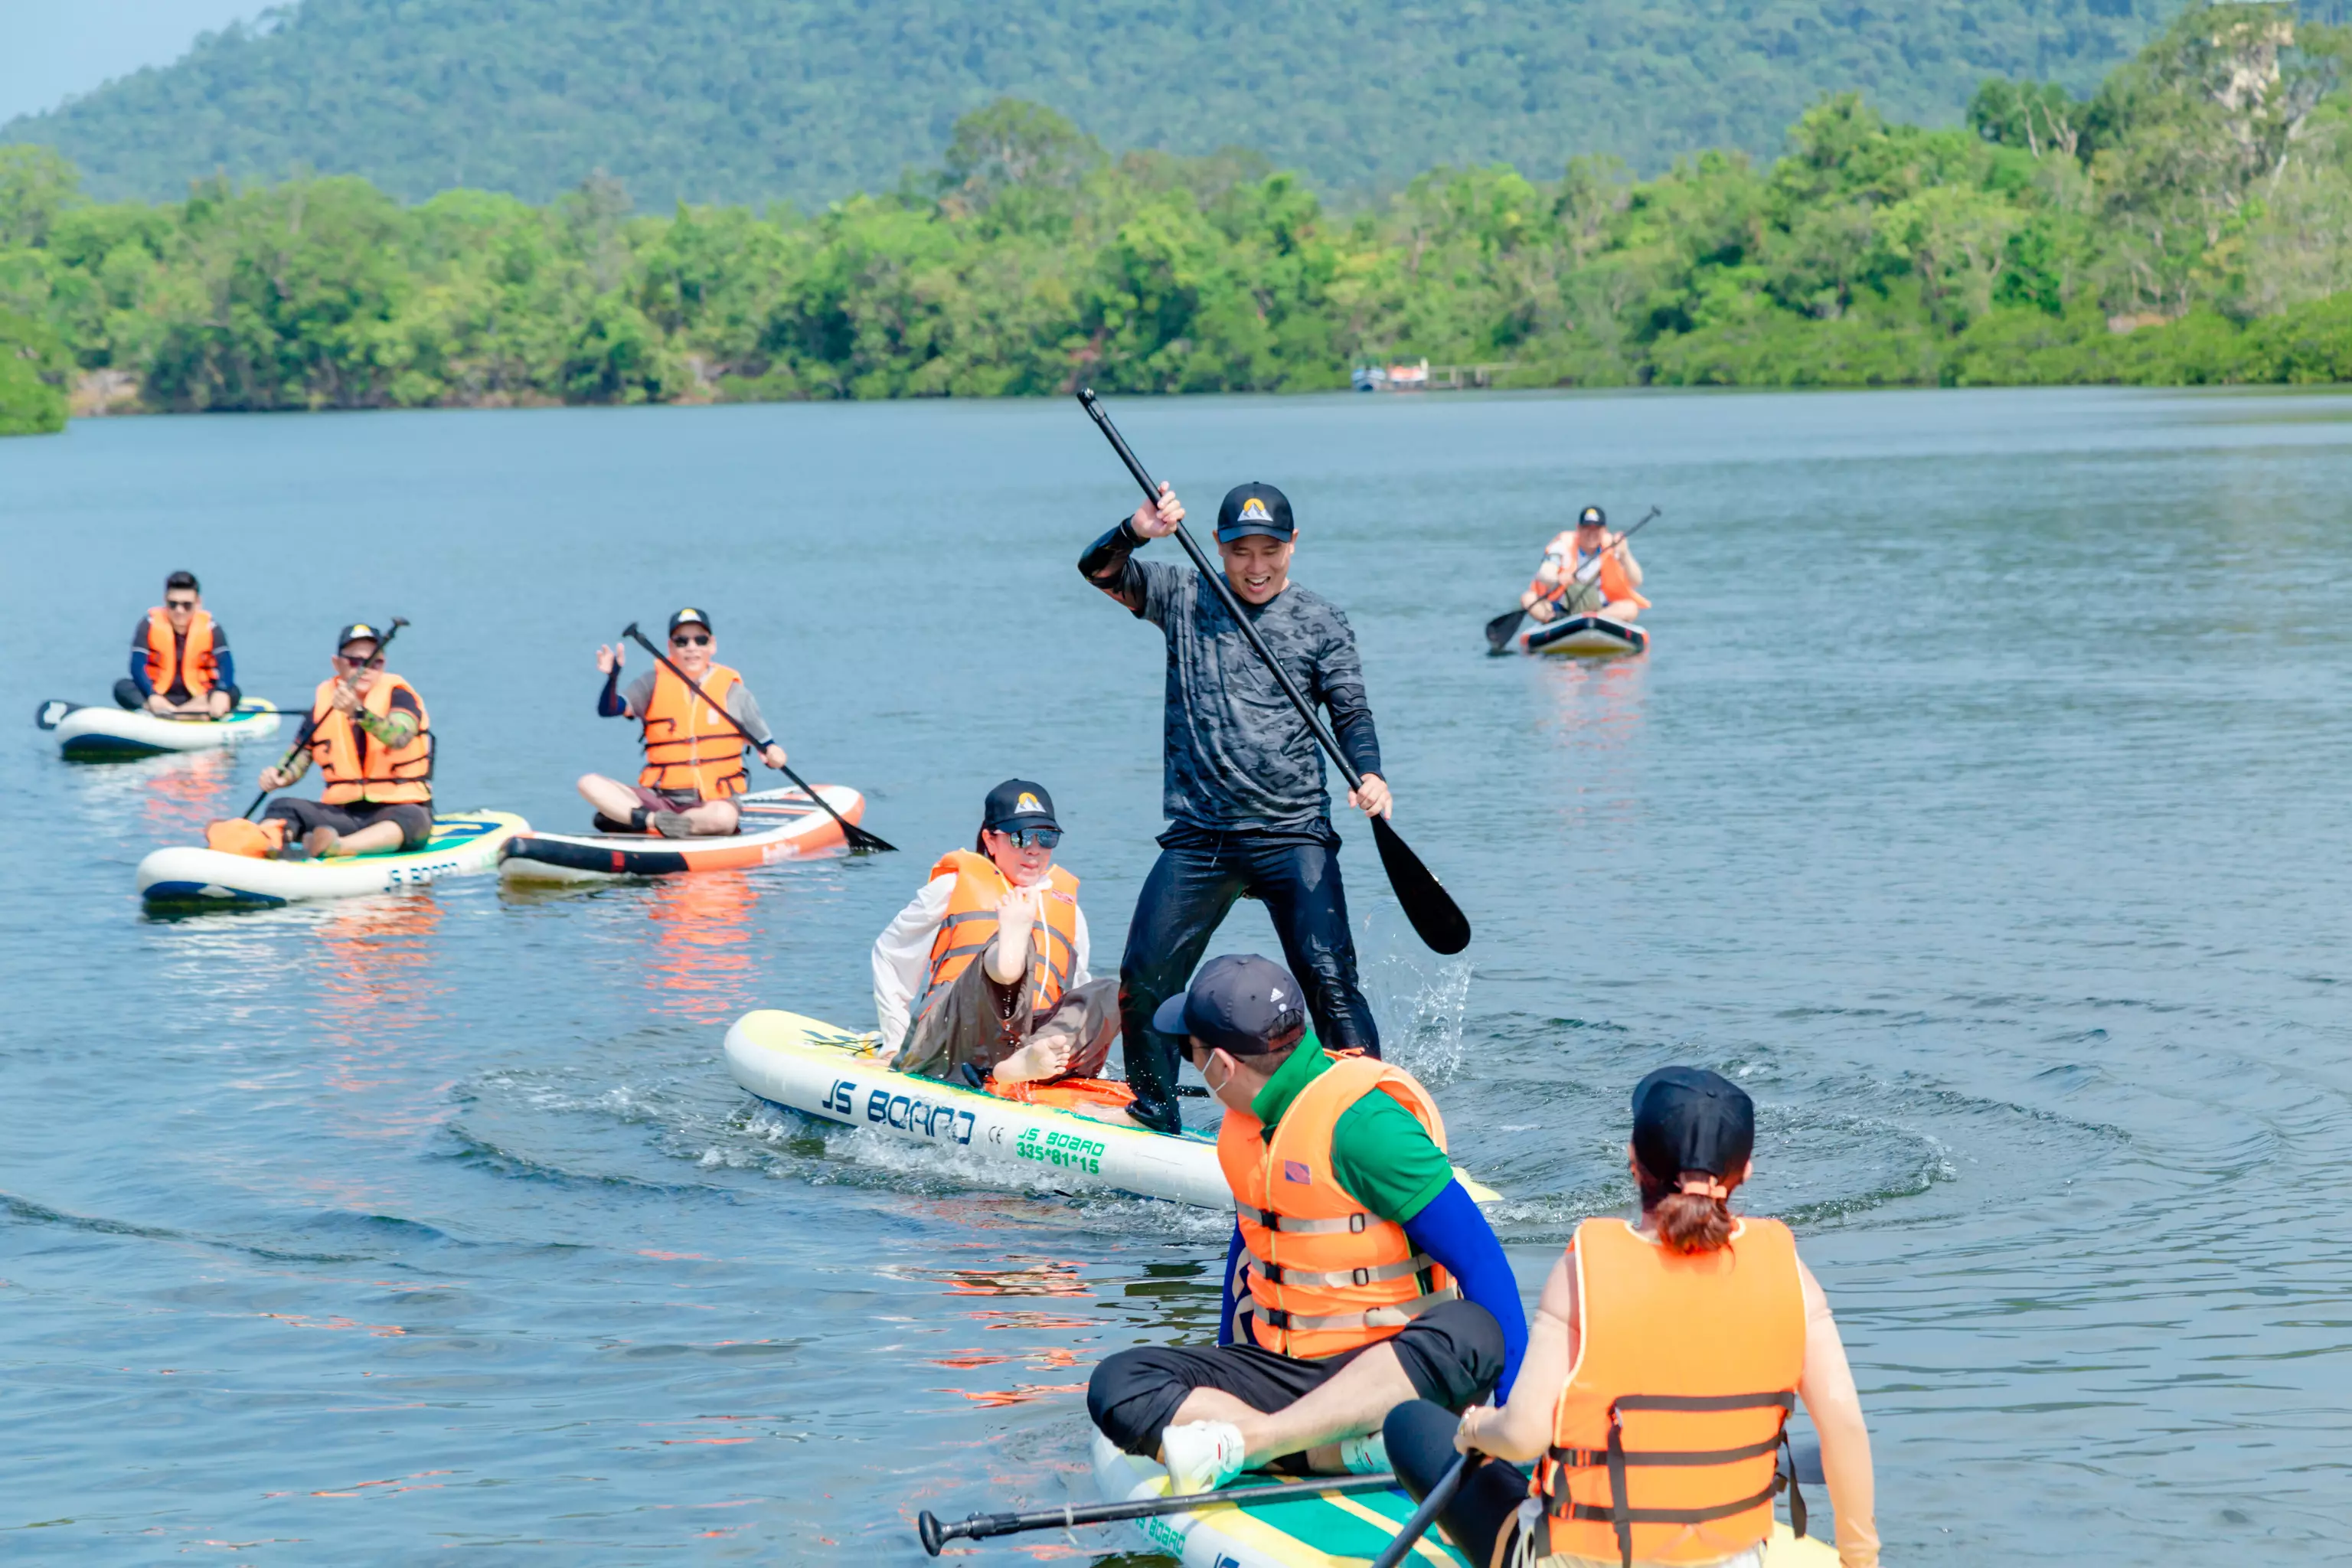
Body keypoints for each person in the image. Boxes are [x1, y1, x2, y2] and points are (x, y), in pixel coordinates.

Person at [1382, 1067, 1878, 1568]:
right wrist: (1860, 1557)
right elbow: (1845, 1431)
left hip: (1586, 1558)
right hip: (1732, 1559)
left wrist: (1474, 1428)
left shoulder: (1585, 1268)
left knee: (1409, 1425)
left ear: (1633, 1160)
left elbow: (1524, 1435)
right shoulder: (1790, 1271)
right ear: (1744, 1171)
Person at [1088, 956, 1527, 1494]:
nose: (1187, 1061)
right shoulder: (1248, 1126)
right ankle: (1347, 1451)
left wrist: (1519, 1423)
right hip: (1289, 1372)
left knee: (1473, 1332)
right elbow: (1250, 1248)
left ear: (1223, 1066)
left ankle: (1256, 1445)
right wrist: (1231, 1361)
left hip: (1393, 1373)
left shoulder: (1365, 1127)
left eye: (1189, 1051)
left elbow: (1482, 1261)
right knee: (1120, 1384)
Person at [1080, 480, 1393, 1135]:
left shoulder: (1322, 620)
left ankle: (1371, 1118)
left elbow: (1352, 712)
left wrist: (1370, 772)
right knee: (1143, 980)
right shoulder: (1184, 595)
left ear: (1293, 545)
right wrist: (1137, 530)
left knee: (1331, 984)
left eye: (1270, 551)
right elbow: (1099, 569)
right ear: (1219, 546)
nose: (1256, 567)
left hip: (1293, 833)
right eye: (1241, 551)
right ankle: (1156, 1114)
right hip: (1201, 836)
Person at [872, 779, 1124, 1099]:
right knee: (1011, 956)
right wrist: (894, 1041)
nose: (1034, 849)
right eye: (1020, 837)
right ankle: (1007, 956)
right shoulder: (950, 888)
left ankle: (1025, 1063)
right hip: (951, 1041)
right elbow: (892, 954)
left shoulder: (1068, 908)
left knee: (1106, 992)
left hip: (1027, 1046)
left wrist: (1075, 1051)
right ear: (990, 840)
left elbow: (1074, 989)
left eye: (1046, 838)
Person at [578, 608, 789, 838]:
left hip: (712, 804)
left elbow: (767, 745)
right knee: (588, 783)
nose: (692, 647)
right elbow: (610, 709)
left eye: (700, 640)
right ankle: (652, 821)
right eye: (682, 641)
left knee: (723, 818)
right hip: (661, 801)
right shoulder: (652, 683)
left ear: (712, 645)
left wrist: (775, 755)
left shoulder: (734, 692)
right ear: (670, 648)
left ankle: (633, 820)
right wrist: (612, 678)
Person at [256, 623, 433, 859]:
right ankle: (261, 843)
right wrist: (278, 775)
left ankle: (339, 847)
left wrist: (357, 713)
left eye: (374, 662)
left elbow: (399, 736)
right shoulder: (323, 704)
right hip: (343, 814)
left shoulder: (400, 696)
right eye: (355, 662)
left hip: (397, 809)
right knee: (282, 807)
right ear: (337, 664)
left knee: (413, 819)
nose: (365, 670)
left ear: (384, 664)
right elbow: (299, 756)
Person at [116, 570, 238, 717]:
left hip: (198, 696)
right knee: (121, 687)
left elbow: (227, 666)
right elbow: (136, 666)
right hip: (159, 695)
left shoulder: (212, 629)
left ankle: (180, 713)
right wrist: (152, 695)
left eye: (187, 605)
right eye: (173, 604)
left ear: (198, 603)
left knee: (233, 691)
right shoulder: (148, 625)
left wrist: (221, 692)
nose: (179, 611)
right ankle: (170, 711)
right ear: (165, 600)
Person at [1523, 506, 1648, 625]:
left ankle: (1596, 619)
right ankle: (1551, 620)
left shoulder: (1613, 547)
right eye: (1586, 528)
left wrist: (1625, 555)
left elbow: (1636, 581)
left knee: (1631, 607)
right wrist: (1558, 578)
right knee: (1528, 598)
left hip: (1600, 607)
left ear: (1604, 530)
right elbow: (1545, 574)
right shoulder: (1562, 546)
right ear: (1578, 528)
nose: (1591, 534)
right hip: (1562, 608)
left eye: (1596, 529)